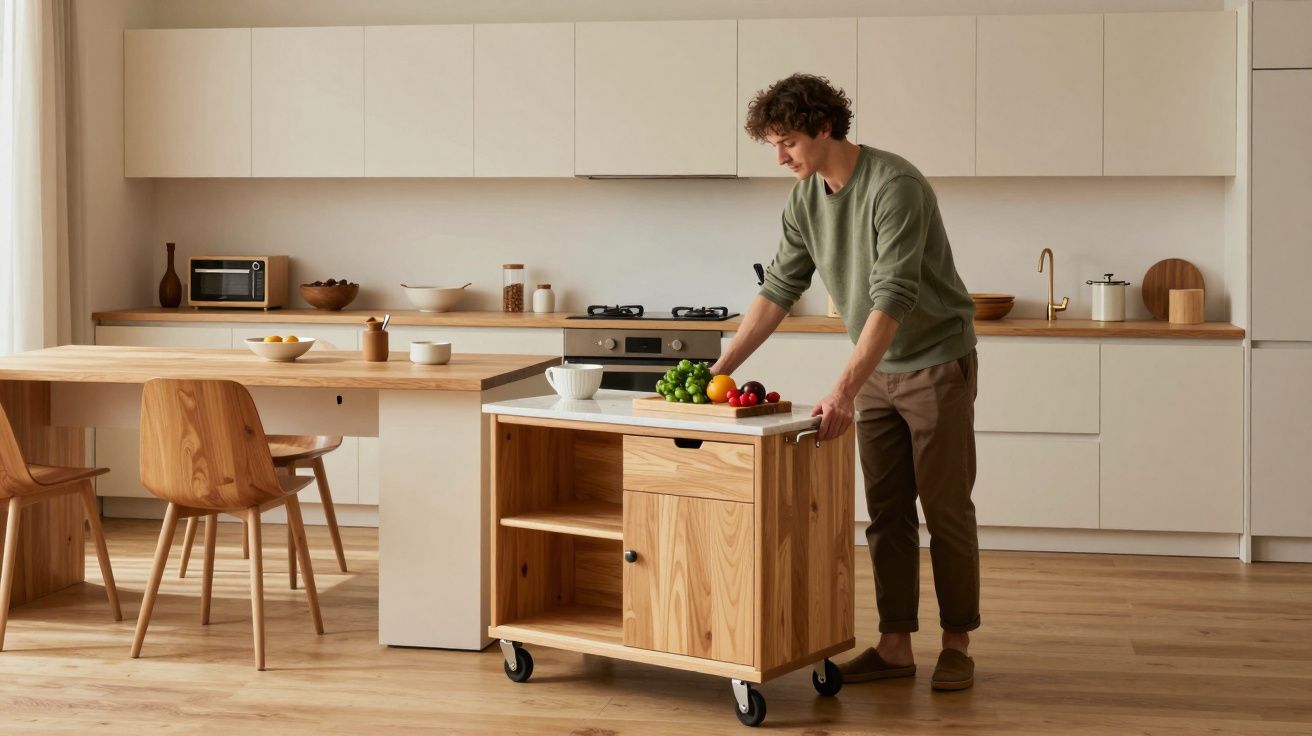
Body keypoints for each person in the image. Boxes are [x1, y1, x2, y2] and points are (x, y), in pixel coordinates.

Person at [710, 73, 981, 691]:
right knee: (886, 513)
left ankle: (957, 644)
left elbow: (893, 296)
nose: (780, 157)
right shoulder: (805, 200)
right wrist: (722, 368)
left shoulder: (895, 187)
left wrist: (842, 390)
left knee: (945, 511)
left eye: (787, 142)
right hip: (876, 369)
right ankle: (894, 646)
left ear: (824, 128)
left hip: (935, 364)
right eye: (774, 145)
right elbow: (778, 289)